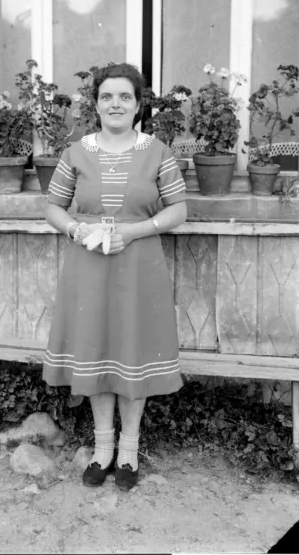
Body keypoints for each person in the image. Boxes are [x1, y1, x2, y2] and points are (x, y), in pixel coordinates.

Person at [42, 63, 187, 491]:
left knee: (132, 353)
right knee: (95, 350)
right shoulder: (76, 152)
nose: (116, 104)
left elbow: (178, 210)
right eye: (107, 96)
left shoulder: (158, 151)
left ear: (139, 105)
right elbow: (53, 207)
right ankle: (102, 448)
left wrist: (134, 230)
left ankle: (128, 451)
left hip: (139, 265)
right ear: (97, 105)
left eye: (125, 96)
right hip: (87, 268)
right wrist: (76, 228)